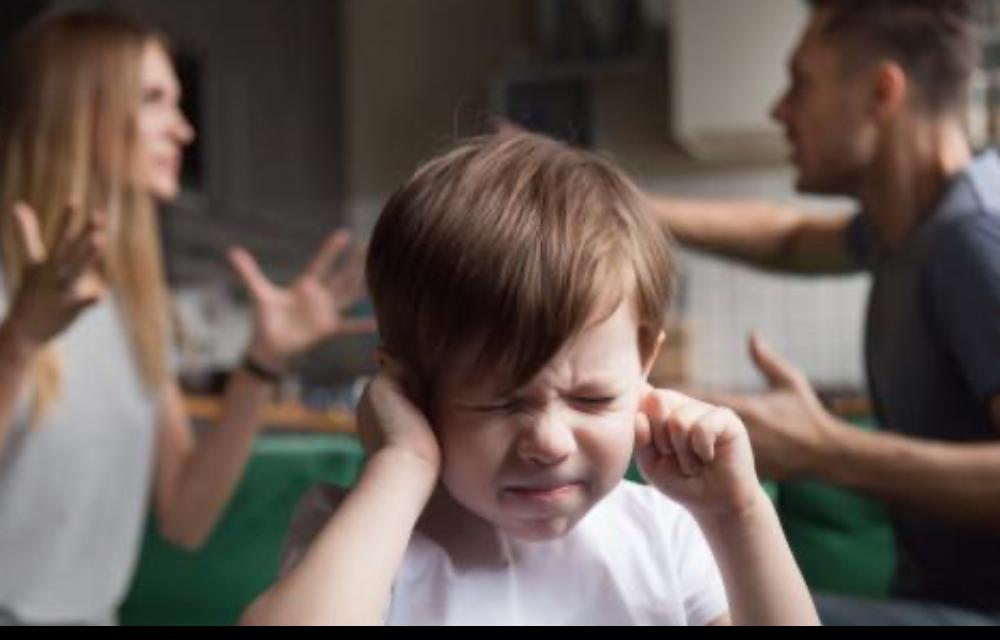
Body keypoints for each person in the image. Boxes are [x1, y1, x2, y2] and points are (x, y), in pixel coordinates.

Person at [240, 130, 818, 626]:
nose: (548, 442)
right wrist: (403, 465)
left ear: (643, 365)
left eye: (592, 399)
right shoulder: (367, 537)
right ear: (410, 391)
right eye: (498, 404)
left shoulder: (665, 535)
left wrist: (737, 515)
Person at [0, 9, 372, 625]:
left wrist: (262, 364)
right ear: (79, 113)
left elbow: (186, 516)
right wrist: (19, 341)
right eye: (154, 100)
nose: (183, 130)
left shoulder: (136, 302)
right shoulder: (15, 288)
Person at [648, 0, 1000, 625]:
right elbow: (784, 236)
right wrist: (619, 200)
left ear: (881, 92)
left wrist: (824, 450)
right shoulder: (909, 224)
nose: (780, 110)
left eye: (801, 83)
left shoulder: (971, 238)